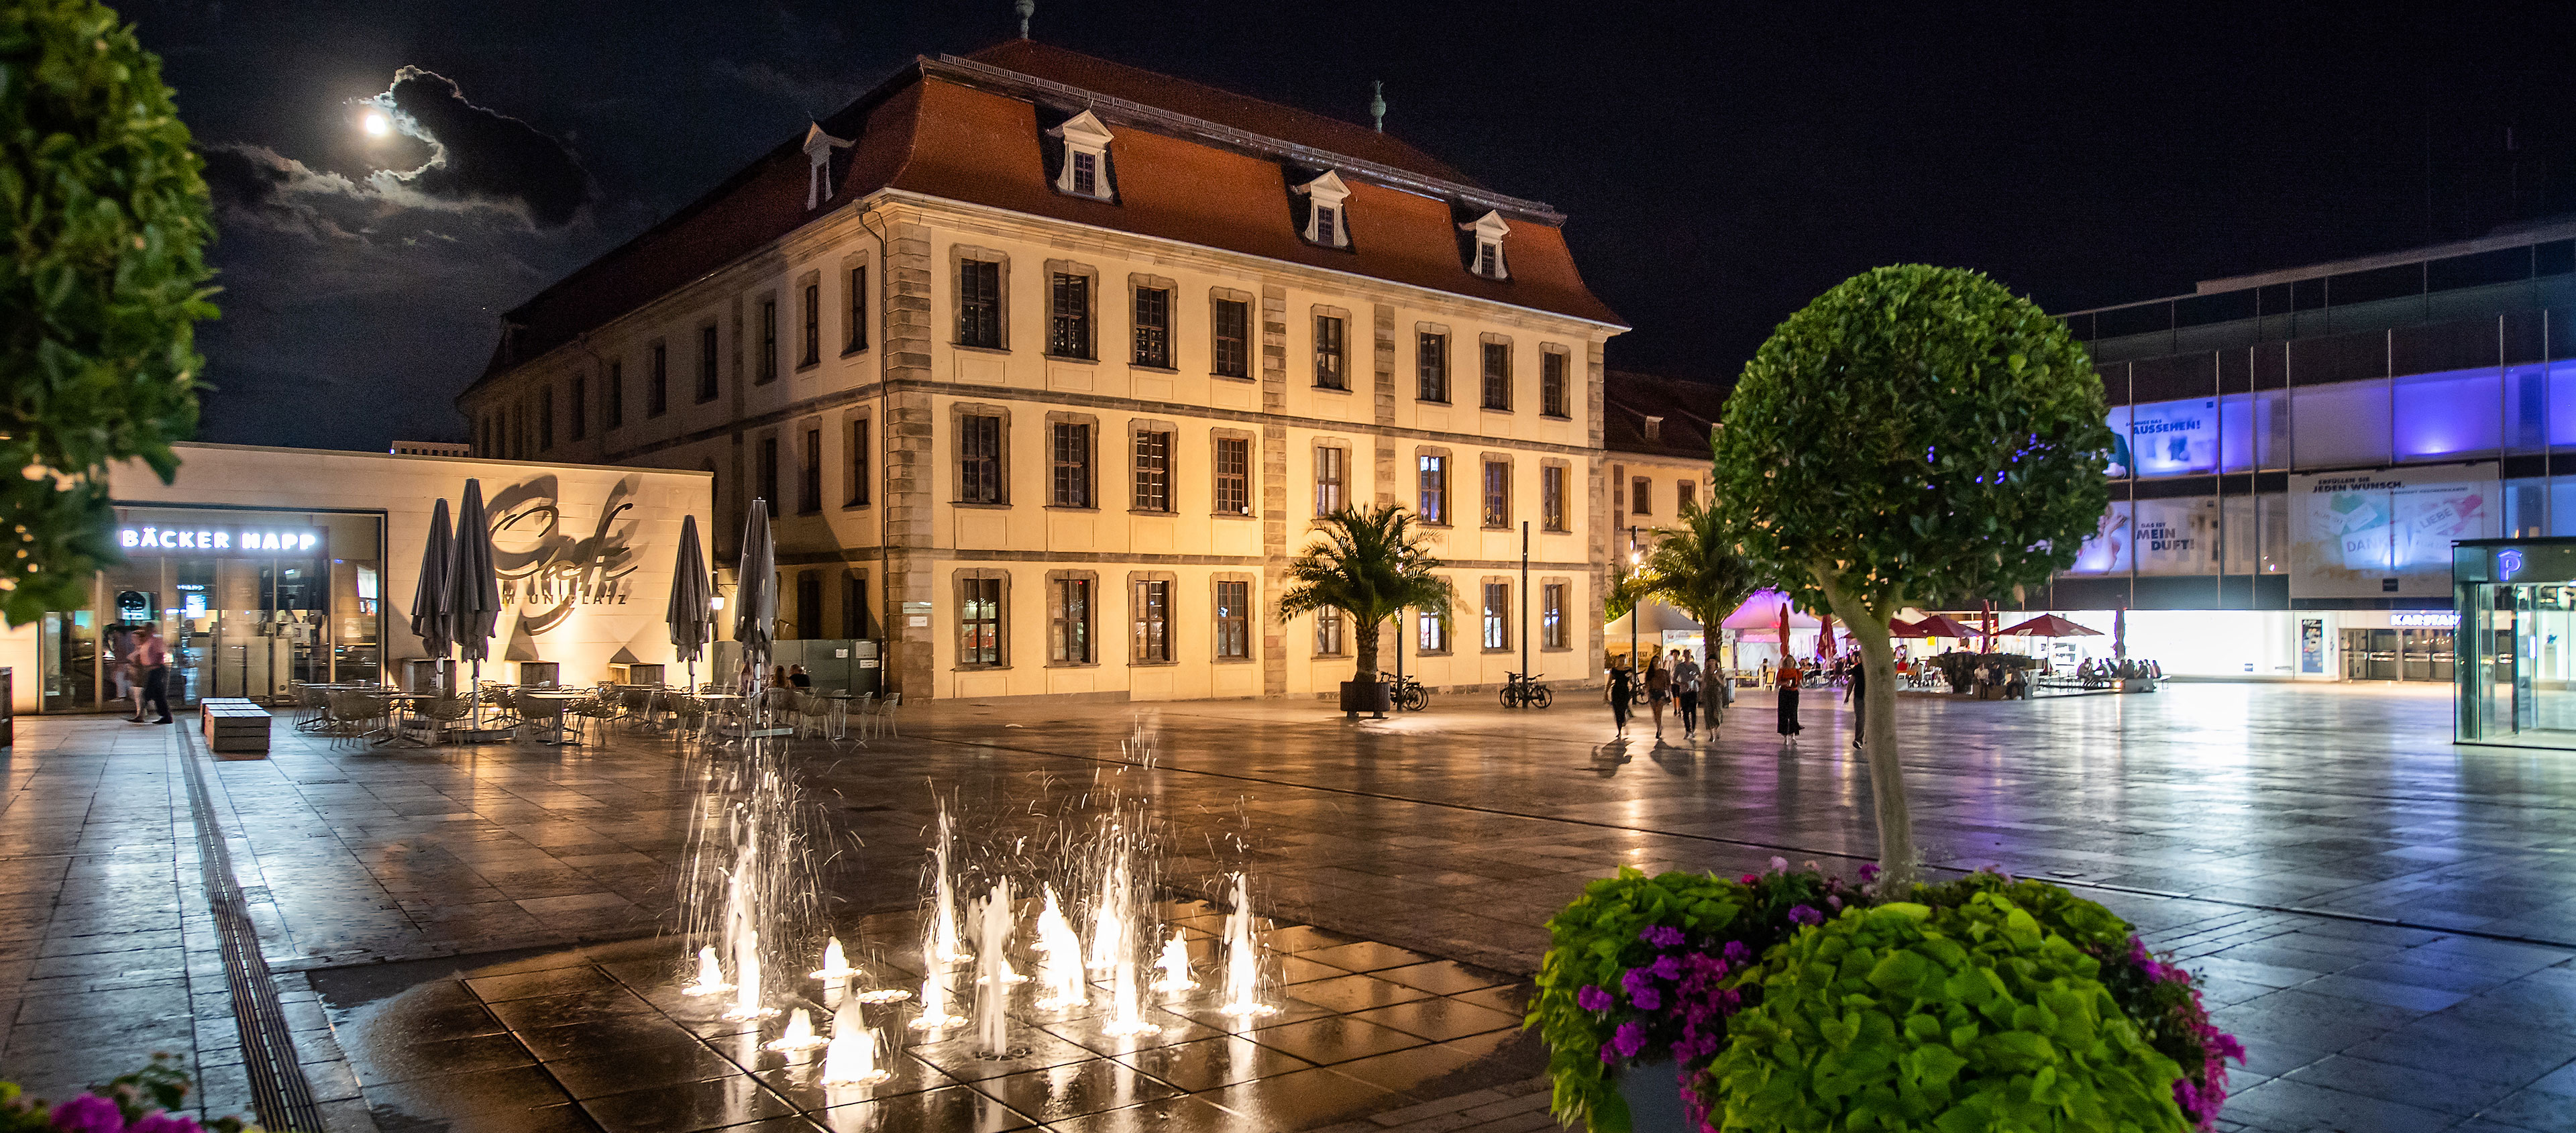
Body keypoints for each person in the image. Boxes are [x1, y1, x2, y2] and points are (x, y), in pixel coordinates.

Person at [131, 625, 172, 725]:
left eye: (148, 629)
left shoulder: (156, 640)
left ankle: (145, 715)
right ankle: (163, 716)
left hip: (156, 670)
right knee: (156, 695)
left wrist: (155, 665)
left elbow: (160, 653)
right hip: (151, 670)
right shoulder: (148, 641)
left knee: (151, 694)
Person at [1672, 649, 1703, 739]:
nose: (1687, 657)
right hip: (1684, 691)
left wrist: (1696, 678)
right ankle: (1688, 730)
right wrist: (1681, 684)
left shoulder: (1695, 666)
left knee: (1693, 712)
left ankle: (1693, 730)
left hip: (1693, 691)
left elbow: (1701, 678)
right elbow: (1674, 679)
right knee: (1685, 712)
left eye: (1688, 655)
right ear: (1683, 656)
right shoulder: (1679, 667)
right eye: (1685, 655)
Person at [1644, 653, 1671, 738]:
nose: (1656, 663)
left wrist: (1669, 694)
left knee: (1659, 712)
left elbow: (1668, 684)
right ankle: (1659, 726)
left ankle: (1658, 730)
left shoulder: (1664, 672)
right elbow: (1647, 684)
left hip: (1661, 693)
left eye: (1657, 661)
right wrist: (1647, 692)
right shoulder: (1649, 673)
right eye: (1654, 661)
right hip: (1652, 693)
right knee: (1655, 714)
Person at [1775, 657, 1803, 743]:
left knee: (1793, 714)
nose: (1790, 663)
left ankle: (1793, 735)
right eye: (1788, 661)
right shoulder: (1782, 671)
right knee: (1784, 714)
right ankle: (1785, 736)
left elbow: (1800, 683)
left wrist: (1800, 686)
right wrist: (1785, 683)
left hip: (1794, 694)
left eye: (1791, 661)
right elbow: (1777, 684)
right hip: (1784, 693)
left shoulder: (1797, 672)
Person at [1607, 660, 1635, 737]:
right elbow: (1610, 681)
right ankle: (1619, 730)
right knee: (1616, 710)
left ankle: (1623, 720)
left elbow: (1632, 682)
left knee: (1622, 709)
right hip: (1616, 691)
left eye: (1623, 660)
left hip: (1624, 691)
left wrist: (1631, 677)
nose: (1621, 662)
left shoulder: (1628, 670)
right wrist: (1606, 692)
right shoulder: (1614, 670)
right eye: (1620, 660)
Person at [1846, 659, 1868, 749]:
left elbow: (1851, 682)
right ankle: (1861, 740)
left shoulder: (1858, 668)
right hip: (1864, 697)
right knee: (1864, 719)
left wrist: (1847, 696)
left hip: (1860, 696)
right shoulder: (1859, 668)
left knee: (1860, 719)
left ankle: (1859, 739)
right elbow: (1851, 682)